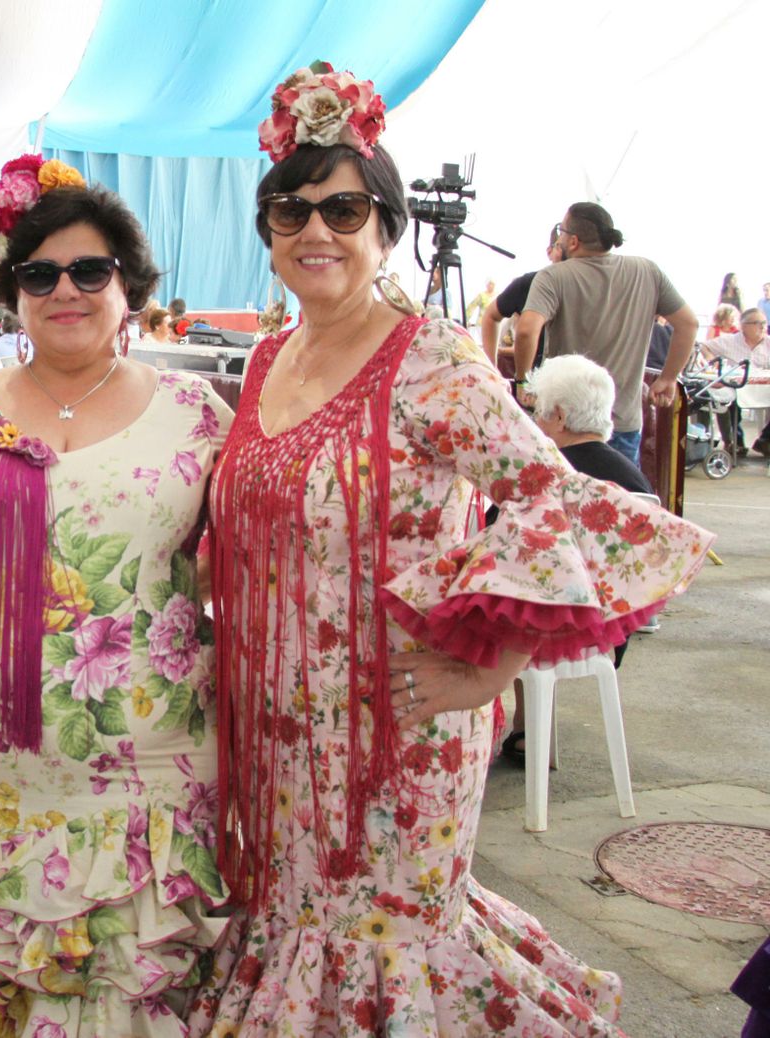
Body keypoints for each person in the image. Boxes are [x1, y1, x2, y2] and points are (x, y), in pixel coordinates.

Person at [188, 63, 714, 1036]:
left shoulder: (429, 359)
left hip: (397, 730)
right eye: (290, 210)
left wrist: (493, 663)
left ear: (385, 225)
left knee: (382, 946)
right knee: (292, 928)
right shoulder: (266, 357)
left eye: (342, 209)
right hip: (271, 732)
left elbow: (559, 500)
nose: (314, 232)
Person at [0, 152, 234, 1036]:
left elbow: (264, 571)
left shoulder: (198, 413)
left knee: (137, 987)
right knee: (3, 987)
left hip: (152, 769)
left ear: (130, 285)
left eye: (89, 269)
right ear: (11, 287)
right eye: (39, 272)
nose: (64, 289)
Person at [497, 355, 653, 762]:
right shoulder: (634, 479)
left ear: (559, 417)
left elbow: (495, 541)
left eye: (537, 412)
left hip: (551, 628)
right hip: (613, 628)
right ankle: (528, 729)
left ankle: (524, 728)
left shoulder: (545, 477)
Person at [512, 202, 698, 467]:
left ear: (573, 241)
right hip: (622, 420)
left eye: (561, 231)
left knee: (558, 502)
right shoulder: (648, 271)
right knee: (617, 503)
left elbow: (526, 331)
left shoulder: (553, 277)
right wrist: (668, 379)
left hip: (564, 424)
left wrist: (522, 382)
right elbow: (688, 324)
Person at [480, 228, 564, 370]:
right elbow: (491, 316)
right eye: (560, 246)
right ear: (549, 251)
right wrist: (492, 370)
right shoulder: (528, 283)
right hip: (536, 379)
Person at [699, 306, 770, 454]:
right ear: (744, 326)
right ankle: (735, 443)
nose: (763, 327)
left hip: (764, 387)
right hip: (736, 387)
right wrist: (713, 361)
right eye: (758, 323)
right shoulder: (730, 341)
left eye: (764, 322)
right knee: (727, 400)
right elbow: (704, 346)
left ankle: (764, 441)